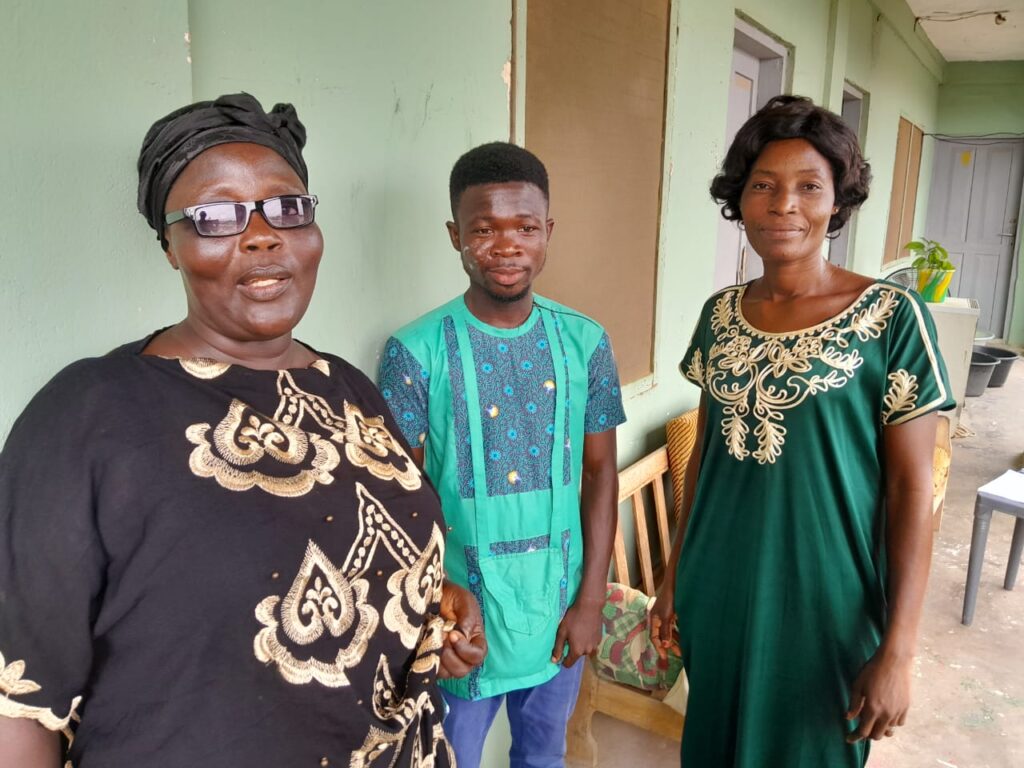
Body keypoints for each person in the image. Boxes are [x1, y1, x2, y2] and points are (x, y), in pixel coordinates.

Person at [0, 92, 485, 768]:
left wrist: (433, 604)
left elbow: (364, 547)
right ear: (170, 246)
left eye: (288, 207)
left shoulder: (349, 387)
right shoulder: (87, 416)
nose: (262, 235)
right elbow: (18, 707)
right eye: (215, 215)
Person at [651, 95, 955, 767]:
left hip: (827, 602)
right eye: (763, 185)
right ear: (740, 200)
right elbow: (705, 454)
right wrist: (673, 575)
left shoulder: (891, 318)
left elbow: (911, 490)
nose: (784, 204)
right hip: (718, 588)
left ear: (837, 201)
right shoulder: (720, 315)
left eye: (808, 186)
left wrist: (899, 649)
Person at [377, 142, 625, 767]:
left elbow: (600, 473)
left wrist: (591, 601)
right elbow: (399, 499)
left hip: (559, 603)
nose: (507, 246)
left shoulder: (586, 342)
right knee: (448, 757)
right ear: (455, 235)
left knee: (543, 754)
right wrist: (431, 610)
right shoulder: (415, 351)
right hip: (461, 620)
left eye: (525, 228)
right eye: (484, 229)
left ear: (548, 232)